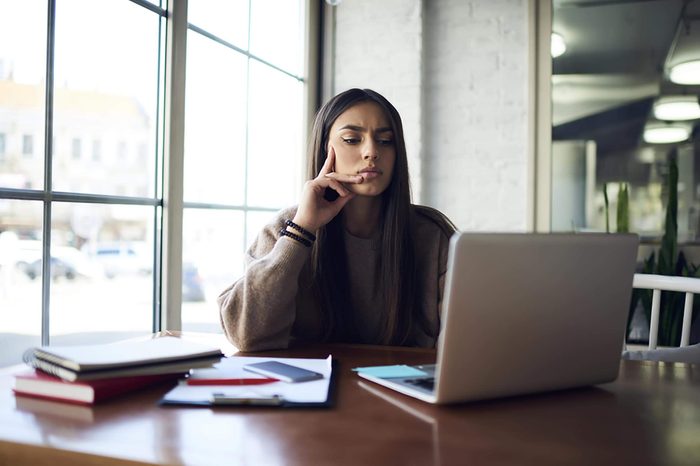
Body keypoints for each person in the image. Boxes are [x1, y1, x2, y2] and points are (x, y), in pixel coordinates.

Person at [218, 88, 456, 351]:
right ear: (324, 150)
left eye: (386, 141)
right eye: (352, 139)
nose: (371, 152)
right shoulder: (287, 227)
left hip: (404, 386)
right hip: (310, 387)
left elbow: (465, 341)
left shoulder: (431, 234)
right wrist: (301, 231)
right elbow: (246, 336)